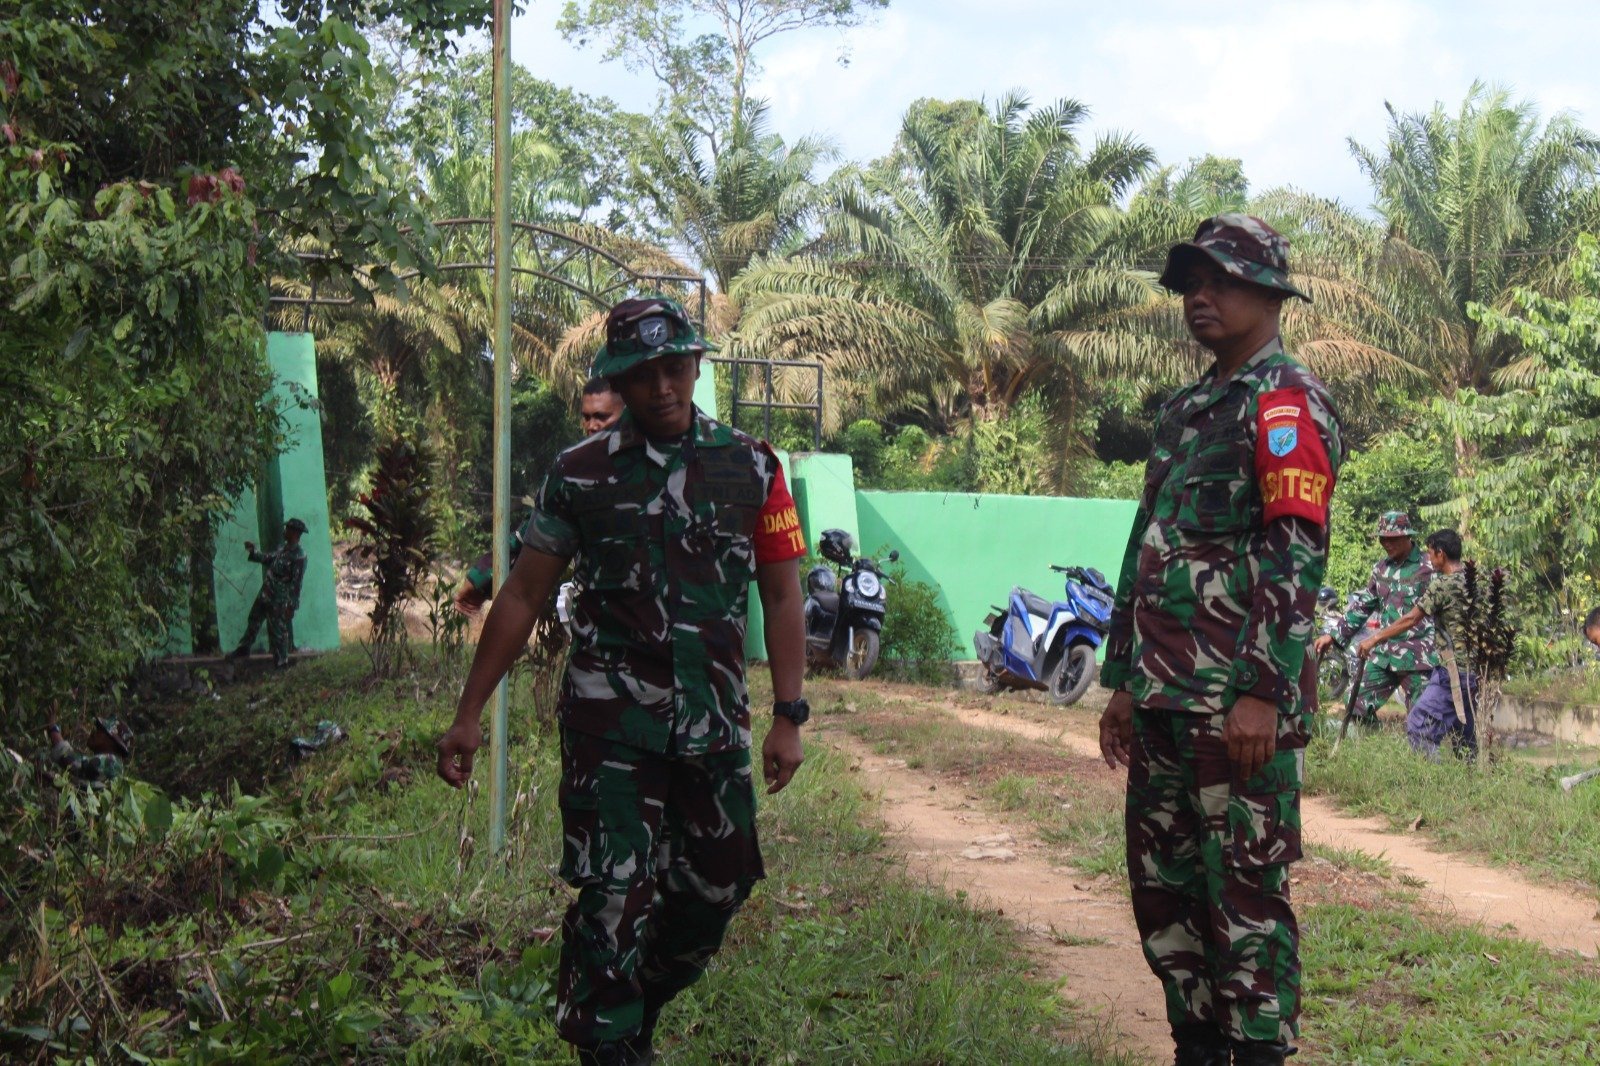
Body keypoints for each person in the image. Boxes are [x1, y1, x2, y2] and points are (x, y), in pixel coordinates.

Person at [435, 296, 808, 1066]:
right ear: (619, 380)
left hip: (712, 727)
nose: (663, 387)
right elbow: (523, 595)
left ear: (698, 364)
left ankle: (627, 1006)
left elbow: (781, 593)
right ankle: (606, 1032)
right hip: (610, 733)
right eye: (643, 375)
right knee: (613, 898)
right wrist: (470, 712)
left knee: (716, 890)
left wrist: (789, 714)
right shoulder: (579, 474)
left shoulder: (754, 467)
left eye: (676, 367)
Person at [1097, 214, 1343, 1066]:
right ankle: (1196, 1046)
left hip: (1234, 711)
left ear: (1271, 295)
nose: (1200, 298)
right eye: (1191, 285)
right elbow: (1149, 544)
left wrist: (1262, 691)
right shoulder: (1186, 410)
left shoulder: (1285, 406)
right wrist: (1124, 678)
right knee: (1164, 897)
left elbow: (1295, 552)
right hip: (1164, 699)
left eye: (1222, 282)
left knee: (1243, 901)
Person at [454, 378, 625, 616]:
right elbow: (530, 536)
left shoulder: (664, 470)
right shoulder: (576, 477)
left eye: (602, 417)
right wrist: (479, 580)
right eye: (587, 417)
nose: (592, 426)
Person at [1357, 530, 1476, 758]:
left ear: (1441, 554)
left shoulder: (1442, 586)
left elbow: (1411, 618)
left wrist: (1374, 638)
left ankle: (1431, 781)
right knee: (1465, 737)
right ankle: (1471, 782)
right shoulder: (1475, 583)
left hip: (1451, 671)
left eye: (1431, 553)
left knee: (1419, 725)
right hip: (1475, 672)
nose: (1429, 559)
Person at [1312, 512, 1433, 725]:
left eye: (1393, 538)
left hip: (1418, 656)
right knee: (1355, 705)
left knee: (1422, 720)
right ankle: (1375, 746)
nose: (1387, 543)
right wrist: (1333, 636)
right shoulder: (1381, 568)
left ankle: (1422, 756)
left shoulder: (1428, 567)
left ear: (1407, 537)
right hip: (1384, 654)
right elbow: (1362, 605)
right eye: (1383, 538)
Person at [229, 518, 308, 667]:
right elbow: (268, 558)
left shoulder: (299, 556)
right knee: (254, 619)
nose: (285, 532)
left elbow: (297, 583)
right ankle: (244, 648)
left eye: (288, 529)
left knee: (277, 630)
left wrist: (292, 605)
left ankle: (281, 662)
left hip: (279, 598)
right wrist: (253, 552)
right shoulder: (283, 549)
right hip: (266, 592)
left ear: (295, 533)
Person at [41, 716, 133, 786]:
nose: (93, 732)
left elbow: (72, 762)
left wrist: (53, 728)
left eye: (100, 731)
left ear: (112, 742)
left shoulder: (111, 762)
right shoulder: (114, 764)